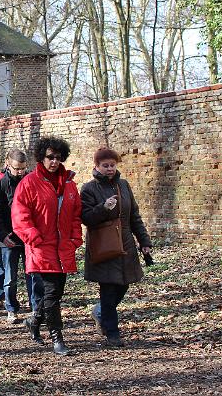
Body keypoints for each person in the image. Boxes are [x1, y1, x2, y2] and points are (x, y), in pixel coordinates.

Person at [12, 136, 82, 356]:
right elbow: (20, 215)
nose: (54, 161)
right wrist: (34, 238)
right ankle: (57, 337)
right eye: (50, 157)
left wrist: (75, 239)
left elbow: (75, 216)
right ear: (41, 157)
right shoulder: (29, 183)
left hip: (63, 247)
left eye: (58, 158)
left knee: (56, 293)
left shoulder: (69, 184)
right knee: (51, 293)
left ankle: (34, 320)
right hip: (41, 246)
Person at [81, 147, 152, 347]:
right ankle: (112, 333)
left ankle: (100, 312)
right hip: (104, 244)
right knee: (108, 288)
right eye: (105, 166)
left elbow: (134, 216)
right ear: (96, 166)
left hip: (126, 242)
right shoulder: (89, 189)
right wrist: (103, 208)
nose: (110, 169)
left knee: (124, 284)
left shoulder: (124, 185)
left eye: (112, 165)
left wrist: (144, 241)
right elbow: (86, 218)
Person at [0, 149, 44, 325]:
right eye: (16, 169)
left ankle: (36, 308)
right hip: (9, 237)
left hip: (28, 237)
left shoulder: (32, 180)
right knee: (10, 277)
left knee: (33, 275)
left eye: (23, 168)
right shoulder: (1, 183)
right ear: (7, 164)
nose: (20, 172)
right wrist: (3, 236)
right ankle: (11, 309)